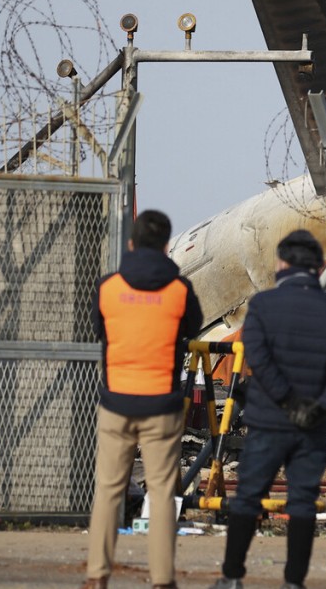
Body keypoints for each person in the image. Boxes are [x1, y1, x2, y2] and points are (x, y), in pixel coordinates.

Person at [209, 230, 326, 589]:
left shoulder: (263, 306)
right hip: (315, 425)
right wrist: (319, 406)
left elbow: (258, 358)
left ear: (281, 263)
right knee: (303, 501)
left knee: (248, 495)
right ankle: (294, 582)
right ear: (318, 265)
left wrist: (285, 401)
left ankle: (232, 577)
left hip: (268, 421)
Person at [82, 209, 204, 589]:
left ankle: (98, 574)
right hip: (161, 405)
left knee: (108, 488)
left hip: (117, 400)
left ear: (132, 243)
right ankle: (163, 579)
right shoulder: (180, 290)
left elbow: (98, 330)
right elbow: (194, 326)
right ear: (168, 246)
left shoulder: (108, 287)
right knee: (163, 491)